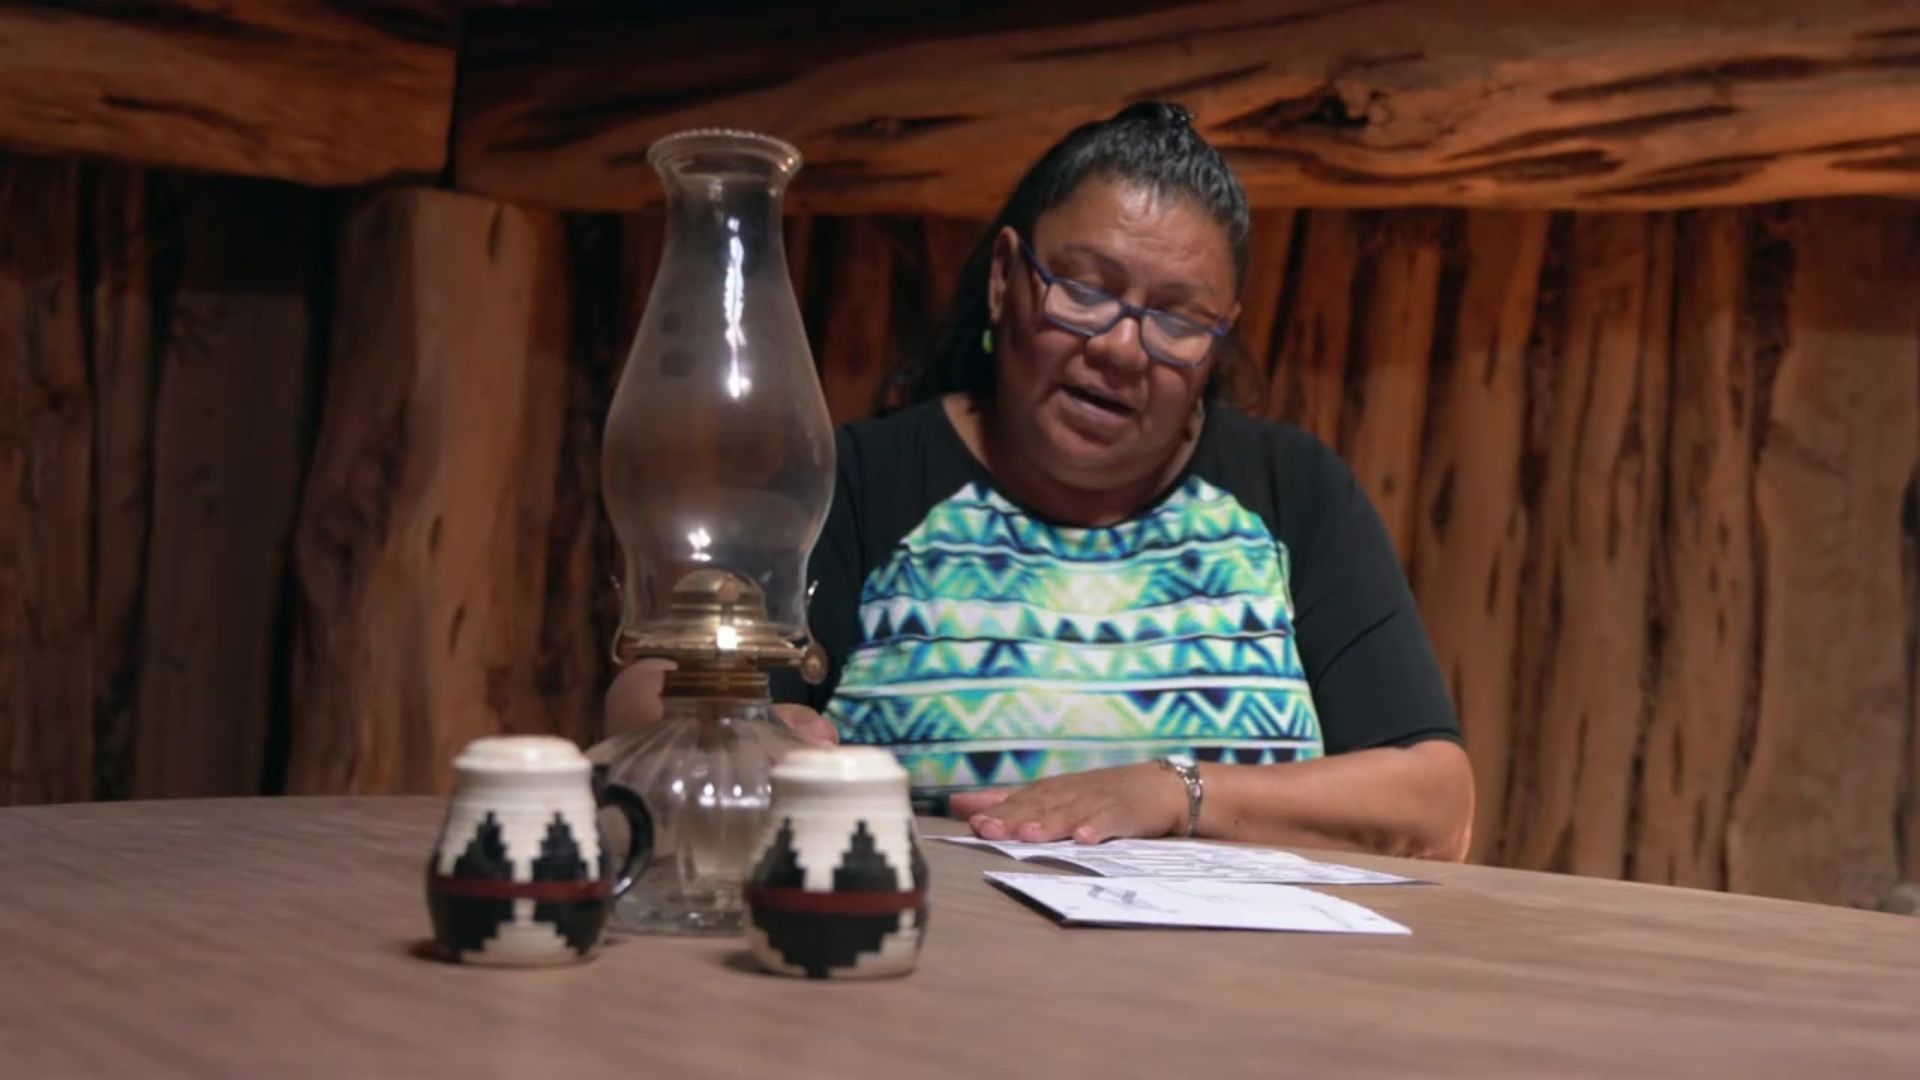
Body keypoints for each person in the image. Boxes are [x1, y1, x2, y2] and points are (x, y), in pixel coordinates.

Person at [609, 102, 1474, 860]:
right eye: (1084, 290)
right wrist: (753, 737)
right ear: (1004, 279)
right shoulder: (868, 482)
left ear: (1220, 338)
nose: (1122, 347)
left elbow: (1438, 807)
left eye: (1177, 319)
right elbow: (642, 703)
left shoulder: (1293, 492)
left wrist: (1175, 794)